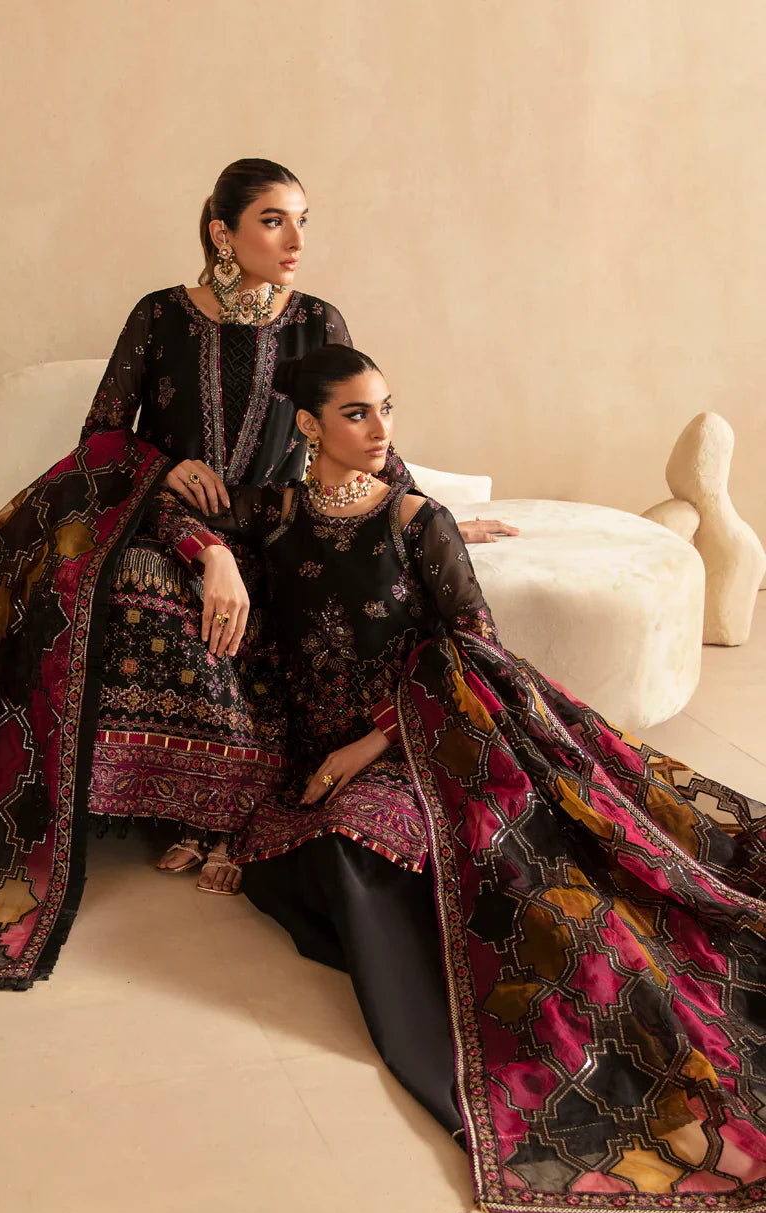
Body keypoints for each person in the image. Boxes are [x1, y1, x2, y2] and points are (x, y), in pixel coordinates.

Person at [170, 343, 766, 1213]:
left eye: (386, 408)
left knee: (418, 858)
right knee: (315, 847)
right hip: (313, 752)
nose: (380, 429)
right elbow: (164, 510)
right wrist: (212, 553)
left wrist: (365, 748)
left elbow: (470, 650)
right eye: (356, 413)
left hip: (425, 737)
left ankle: (463, 1006)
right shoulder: (275, 511)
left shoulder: (418, 521)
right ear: (309, 425)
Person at [77, 157, 515, 893]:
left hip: (279, 521)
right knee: (148, 586)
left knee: (279, 595)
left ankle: (235, 809)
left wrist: (414, 516)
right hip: (169, 517)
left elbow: (351, 418)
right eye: (274, 221)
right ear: (224, 233)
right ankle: (188, 803)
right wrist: (162, 467)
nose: (296, 240)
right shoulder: (159, 315)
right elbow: (102, 434)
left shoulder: (316, 321)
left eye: (302, 221)